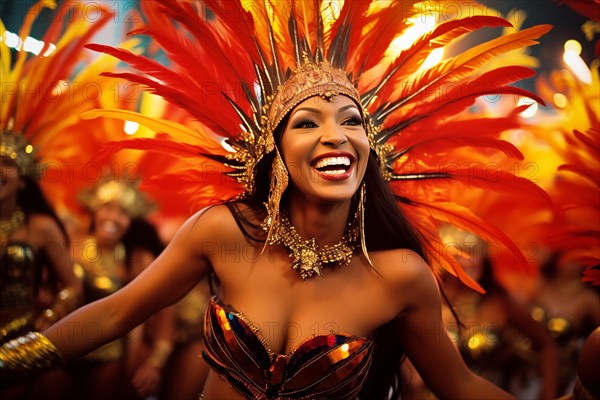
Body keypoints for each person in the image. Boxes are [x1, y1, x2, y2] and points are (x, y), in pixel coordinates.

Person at [1, 0, 554, 398]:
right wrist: (11, 361)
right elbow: (117, 312)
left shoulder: (402, 275)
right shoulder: (224, 232)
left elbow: (458, 384)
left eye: (351, 122)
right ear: (274, 150)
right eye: (307, 122)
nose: (335, 136)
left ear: (370, 150)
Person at [0, 133, 83, 400]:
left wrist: (51, 315)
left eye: (7, 163)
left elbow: (73, 286)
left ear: (23, 180)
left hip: (22, 341)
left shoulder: (40, 228)